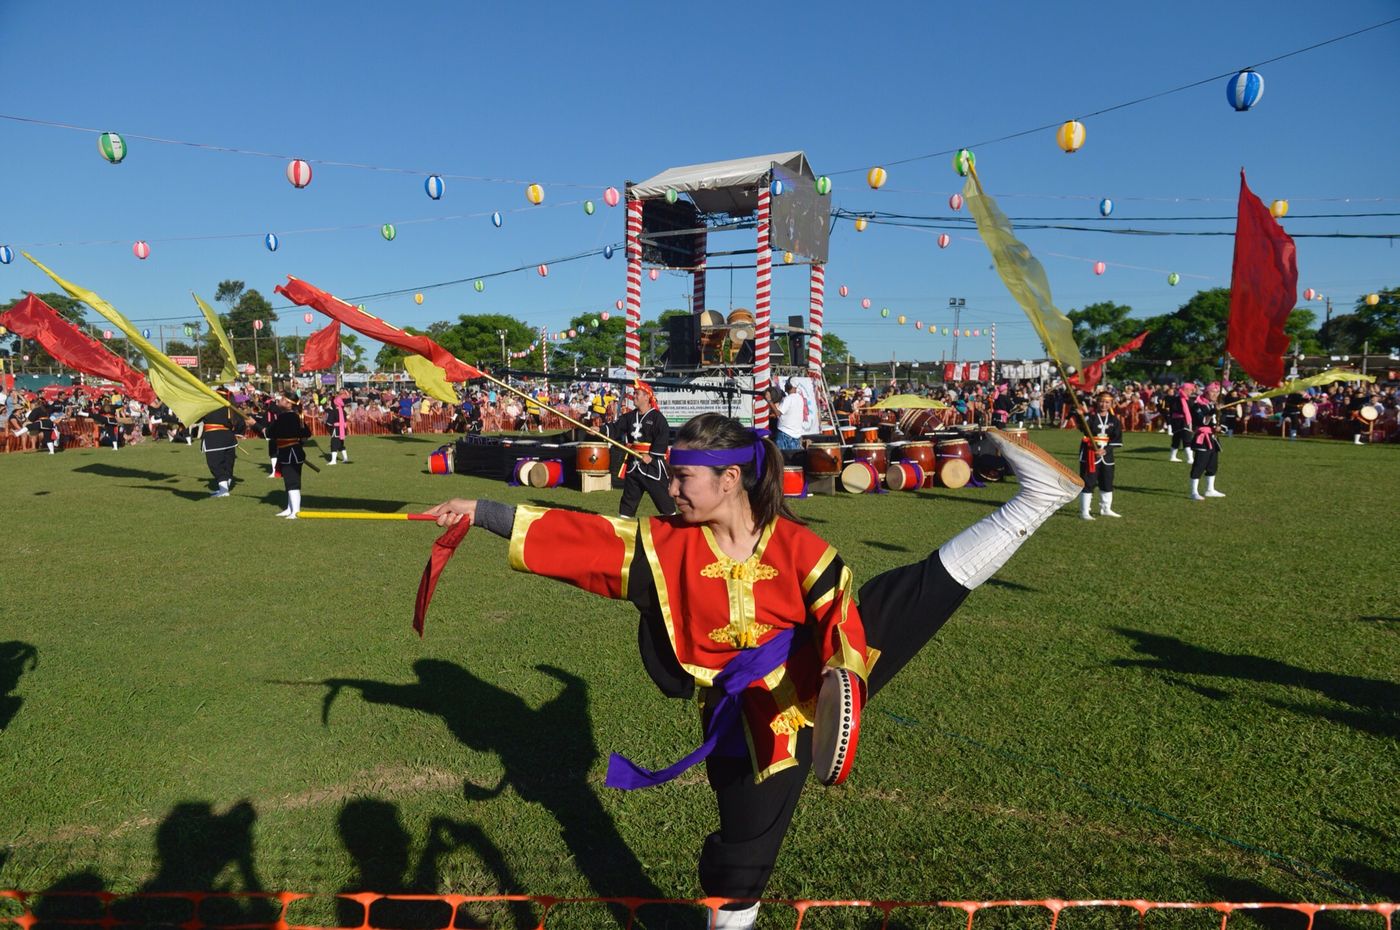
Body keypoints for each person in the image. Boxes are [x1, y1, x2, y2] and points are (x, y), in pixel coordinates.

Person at [425, 417, 1080, 929]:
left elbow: (838, 616)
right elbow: (581, 542)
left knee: (913, 595)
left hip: (804, 694)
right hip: (745, 715)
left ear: (730, 479)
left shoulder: (802, 549)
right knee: (742, 851)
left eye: (683, 478)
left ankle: (1037, 500)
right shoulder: (663, 547)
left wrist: (842, 680)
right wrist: (481, 511)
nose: (669, 490)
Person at [609, 380, 676, 519]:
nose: (634, 396)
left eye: (637, 393)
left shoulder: (657, 418)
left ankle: (673, 526)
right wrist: (600, 429)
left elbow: (663, 437)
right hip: (633, 465)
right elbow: (615, 428)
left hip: (652, 466)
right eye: (634, 393)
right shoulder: (629, 417)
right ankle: (624, 526)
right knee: (628, 501)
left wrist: (651, 456)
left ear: (646, 397)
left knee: (664, 501)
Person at [1073, 391, 1124, 519]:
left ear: (1111, 403)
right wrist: (1080, 416)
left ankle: (1106, 508)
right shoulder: (1090, 417)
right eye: (1101, 401)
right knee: (1088, 481)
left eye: (1107, 402)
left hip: (1106, 455)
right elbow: (1083, 428)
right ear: (1097, 402)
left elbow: (1117, 439)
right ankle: (1085, 511)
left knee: (1107, 481)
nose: (1104, 404)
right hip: (1090, 452)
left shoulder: (1114, 420)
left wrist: (1106, 450)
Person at [269, 391, 311, 518]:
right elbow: (306, 434)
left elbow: (270, 433)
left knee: (292, 482)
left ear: (288, 404)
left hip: (290, 453)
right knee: (289, 481)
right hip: (291, 452)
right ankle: (289, 508)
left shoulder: (286, 417)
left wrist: (255, 425)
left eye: (282, 399)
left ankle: (295, 511)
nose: (279, 400)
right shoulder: (293, 416)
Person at [199, 396, 246, 498]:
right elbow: (241, 422)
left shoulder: (208, 406)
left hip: (213, 439)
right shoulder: (230, 406)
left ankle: (224, 491)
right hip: (229, 439)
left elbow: (196, 419)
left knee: (215, 464)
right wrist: (238, 433)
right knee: (227, 464)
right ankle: (224, 489)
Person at [1188, 381, 1226, 501]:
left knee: (1212, 465)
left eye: (1217, 392)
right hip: (1202, 438)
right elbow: (1203, 421)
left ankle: (1210, 489)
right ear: (1206, 392)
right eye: (1213, 392)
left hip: (1212, 437)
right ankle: (1194, 492)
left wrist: (1218, 427)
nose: (1215, 394)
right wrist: (1214, 411)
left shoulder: (1212, 405)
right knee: (1199, 464)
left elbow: (1216, 422)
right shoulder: (1197, 405)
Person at [1167, 383, 1196, 463]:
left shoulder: (1180, 399)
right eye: (1191, 390)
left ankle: (1173, 457)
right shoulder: (1180, 399)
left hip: (1177, 421)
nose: (1191, 392)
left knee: (1177, 439)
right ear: (1186, 390)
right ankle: (1190, 459)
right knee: (1186, 439)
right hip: (1182, 421)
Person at [775, 379, 805, 451]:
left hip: (784, 434)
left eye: (786, 384)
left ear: (790, 386)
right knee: (793, 457)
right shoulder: (800, 398)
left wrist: (769, 401)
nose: (785, 385)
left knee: (781, 456)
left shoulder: (788, 399)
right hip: (796, 436)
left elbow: (777, 413)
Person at [326, 390, 350, 465]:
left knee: (333, 444)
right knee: (341, 444)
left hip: (336, 430)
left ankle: (333, 460)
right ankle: (345, 458)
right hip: (343, 430)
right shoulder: (344, 411)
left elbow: (329, 423)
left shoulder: (333, 412)